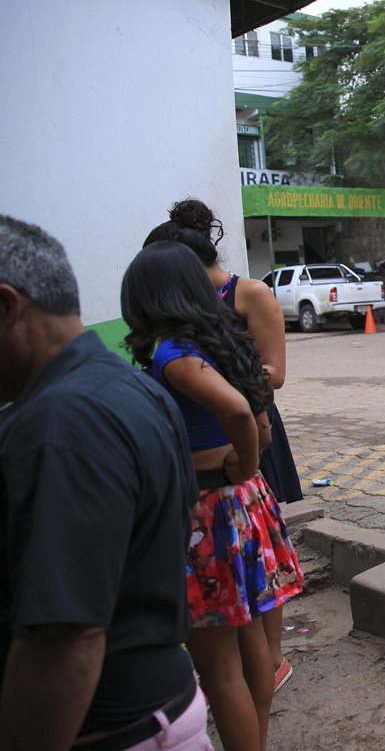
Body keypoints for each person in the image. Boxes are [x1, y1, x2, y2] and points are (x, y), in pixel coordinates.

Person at [0, 216, 207, 750]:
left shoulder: (63, 424)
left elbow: (67, 639)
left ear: (7, 307)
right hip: (163, 699)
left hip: (118, 725)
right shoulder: (129, 385)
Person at [122, 241, 304, 751]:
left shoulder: (173, 353)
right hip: (243, 507)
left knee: (220, 670)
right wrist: (247, 463)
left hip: (208, 513)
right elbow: (260, 419)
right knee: (256, 656)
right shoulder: (225, 340)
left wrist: (239, 463)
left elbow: (241, 414)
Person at [150, 202, 302, 691]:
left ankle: (272, 659)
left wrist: (219, 383)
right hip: (212, 437)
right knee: (235, 557)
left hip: (249, 432)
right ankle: (247, 659)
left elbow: (274, 373)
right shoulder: (183, 306)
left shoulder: (249, 292)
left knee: (261, 554)